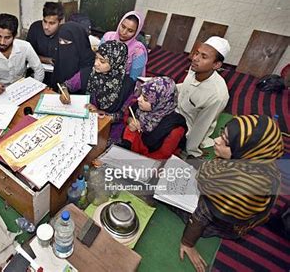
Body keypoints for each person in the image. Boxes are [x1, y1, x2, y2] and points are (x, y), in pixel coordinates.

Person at [178, 114, 284, 272]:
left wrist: (187, 242)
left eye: (226, 142)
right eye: (222, 134)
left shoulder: (235, 188)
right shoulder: (262, 161)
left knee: (164, 188)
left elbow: (203, 213)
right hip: (236, 215)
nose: (216, 141)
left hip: (219, 223)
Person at [60, 40, 135, 144]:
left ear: (116, 63)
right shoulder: (88, 73)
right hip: (85, 124)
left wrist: (100, 113)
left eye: (102, 61)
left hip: (109, 131)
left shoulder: (127, 85)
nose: (95, 63)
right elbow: (65, 85)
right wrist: (64, 92)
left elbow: (124, 115)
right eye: (96, 58)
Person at [176, 36, 230, 158]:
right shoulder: (196, 68)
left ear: (216, 65)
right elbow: (186, 87)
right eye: (196, 53)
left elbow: (201, 127)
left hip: (187, 125)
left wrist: (189, 151)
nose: (195, 59)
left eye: (203, 57)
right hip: (175, 108)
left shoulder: (217, 96)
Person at [121, 77, 187, 159]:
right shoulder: (140, 107)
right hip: (132, 150)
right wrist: (130, 121)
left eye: (145, 99)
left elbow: (161, 156)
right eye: (141, 94)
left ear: (159, 102)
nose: (139, 99)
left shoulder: (174, 129)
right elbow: (128, 115)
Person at [0, 13, 44, 95]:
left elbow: (38, 69)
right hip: (1, 93)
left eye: (7, 38)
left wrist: (34, 89)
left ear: (14, 36)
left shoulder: (25, 47)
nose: (2, 42)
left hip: (23, 90)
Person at [102, 11, 148, 82]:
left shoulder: (138, 50)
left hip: (123, 84)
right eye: (123, 26)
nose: (124, 32)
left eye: (130, 30)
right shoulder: (108, 37)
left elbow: (132, 79)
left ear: (136, 32)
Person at [26, 2, 64, 87]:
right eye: (45, 21)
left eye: (51, 23)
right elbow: (27, 55)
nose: (46, 27)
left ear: (60, 22)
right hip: (35, 74)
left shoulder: (65, 33)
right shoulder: (35, 28)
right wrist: (47, 60)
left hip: (57, 78)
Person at [51, 21, 95, 89]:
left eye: (66, 42)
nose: (62, 45)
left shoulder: (92, 63)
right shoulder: (59, 56)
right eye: (60, 41)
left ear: (79, 42)